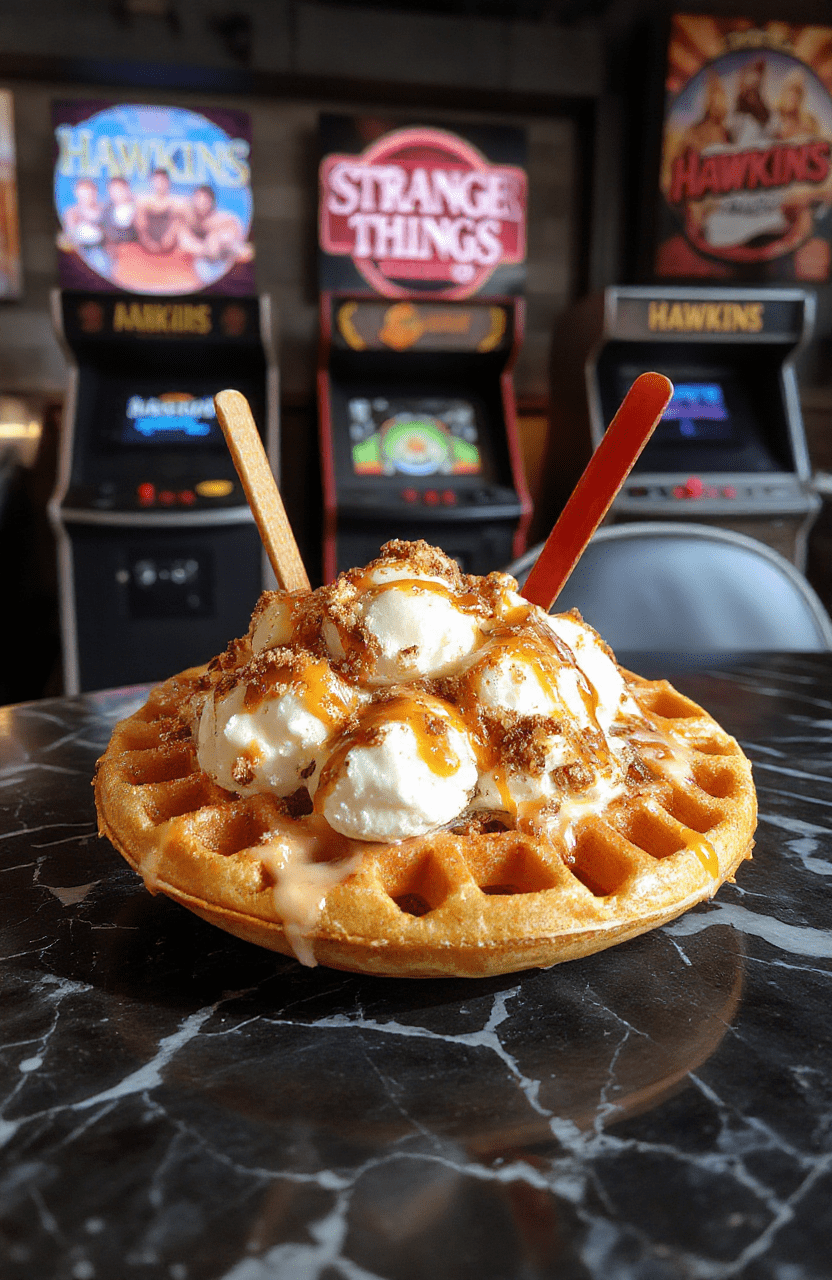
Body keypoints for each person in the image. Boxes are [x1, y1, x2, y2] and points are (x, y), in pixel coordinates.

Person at [177, 185, 252, 266]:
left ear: (211, 204)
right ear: (193, 199)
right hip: (197, 244)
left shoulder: (219, 219)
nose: (200, 205)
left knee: (222, 240)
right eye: (198, 200)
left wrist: (218, 241)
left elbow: (234, 231)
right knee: (181, 234)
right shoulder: (185, 210)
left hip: (219, 243)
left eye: (204, 202)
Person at [134, 169, 186, 254]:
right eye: (157, 181)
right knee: (139, 215)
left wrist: (168, 240)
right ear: (152, 182)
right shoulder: (144, 202)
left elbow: (178, 225)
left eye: (162, 181)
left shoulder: (176, 203)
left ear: (168, 182)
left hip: (168, 242)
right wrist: (148, 243)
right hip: (148, 243)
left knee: (178, 218)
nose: (160, 184)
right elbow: (140, 227)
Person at [100, 176, 137, 245]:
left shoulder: (138, 208)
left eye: (120, 189)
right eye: (113, 190)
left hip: (137, 249)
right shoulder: (106, 210)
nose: (117, 193)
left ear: (127, 189)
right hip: (115, 250)